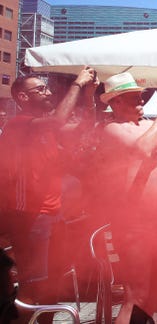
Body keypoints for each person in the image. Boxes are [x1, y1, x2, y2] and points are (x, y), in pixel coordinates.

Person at [0, 68, 98, 324]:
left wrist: (89, 94)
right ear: (22, 97)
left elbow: (84, 126)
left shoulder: (45, 129)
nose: (49, 92)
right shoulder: (18, 124)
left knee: (54, 285)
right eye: (40, 89)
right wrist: (77, 83)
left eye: (47, 88)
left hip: (54, 215)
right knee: (32, 289)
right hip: (30, 219)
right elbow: (57, 121)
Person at [93, 72, 157, 323]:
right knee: (136, 293)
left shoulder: (145, 124)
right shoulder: (111, 129)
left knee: (156, 285)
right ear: (115, 102)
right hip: (134, 222)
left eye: (140, 97)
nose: (141, 103)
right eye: (134, 99)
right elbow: (142, 150)